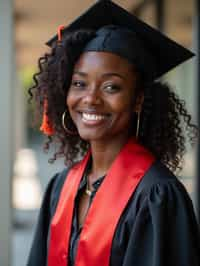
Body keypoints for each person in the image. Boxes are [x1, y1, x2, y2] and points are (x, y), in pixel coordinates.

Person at [27, 1, 200, 266]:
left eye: (111, 87)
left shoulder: (156, 196)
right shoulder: (61, 187)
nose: (90, 99)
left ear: (138, 100)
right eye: (79, 83)